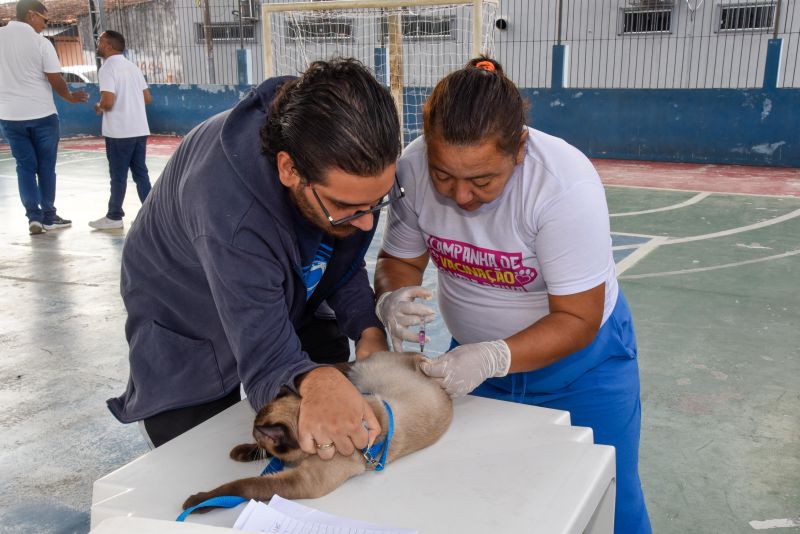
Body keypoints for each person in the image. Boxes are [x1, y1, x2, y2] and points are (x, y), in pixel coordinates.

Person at [374, 57, 651, 533]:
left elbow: (577, 318)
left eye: (483, 181)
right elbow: (399, 259)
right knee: (487, 497)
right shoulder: (412, 168)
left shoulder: (562, 185)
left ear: (519, 148)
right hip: (474, 365)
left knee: (608, 497)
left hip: (583, 371)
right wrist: (392, 296)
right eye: (445, 176)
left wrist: (493, 357)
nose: (461, 196)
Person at [107, 58, 402, 457]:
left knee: (322, 402)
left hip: (284, 288)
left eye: (376, 202)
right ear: (289, 170)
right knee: (195, 454)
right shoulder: (230, 212)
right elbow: (265, 352)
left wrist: (368, 329)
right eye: (349, 206)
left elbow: (337, 253)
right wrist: (315, 383)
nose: (368, 224)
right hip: (187, 306)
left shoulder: (331, 154)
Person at [0, 0, 88, 235]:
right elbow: (55, 79)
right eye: (44, 20)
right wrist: (69, 97)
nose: (45, 25)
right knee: (46, 168)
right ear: (30, 15)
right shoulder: (41, 43)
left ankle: (33, 218)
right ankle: (49, 216)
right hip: (42, 115)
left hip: (10, 117)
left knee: (25, 167)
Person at [90, 30, 153, 230]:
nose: (98, 44)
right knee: (140, 173)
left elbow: (108, 101)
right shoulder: (132, 67)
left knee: (118, 175)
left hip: (119, 131)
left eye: (100, 41)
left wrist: (100, 106)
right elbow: (146, 98)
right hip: (139, 128)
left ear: (108, 45)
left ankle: (114, 216)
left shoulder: (107, 68)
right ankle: (153, 213)